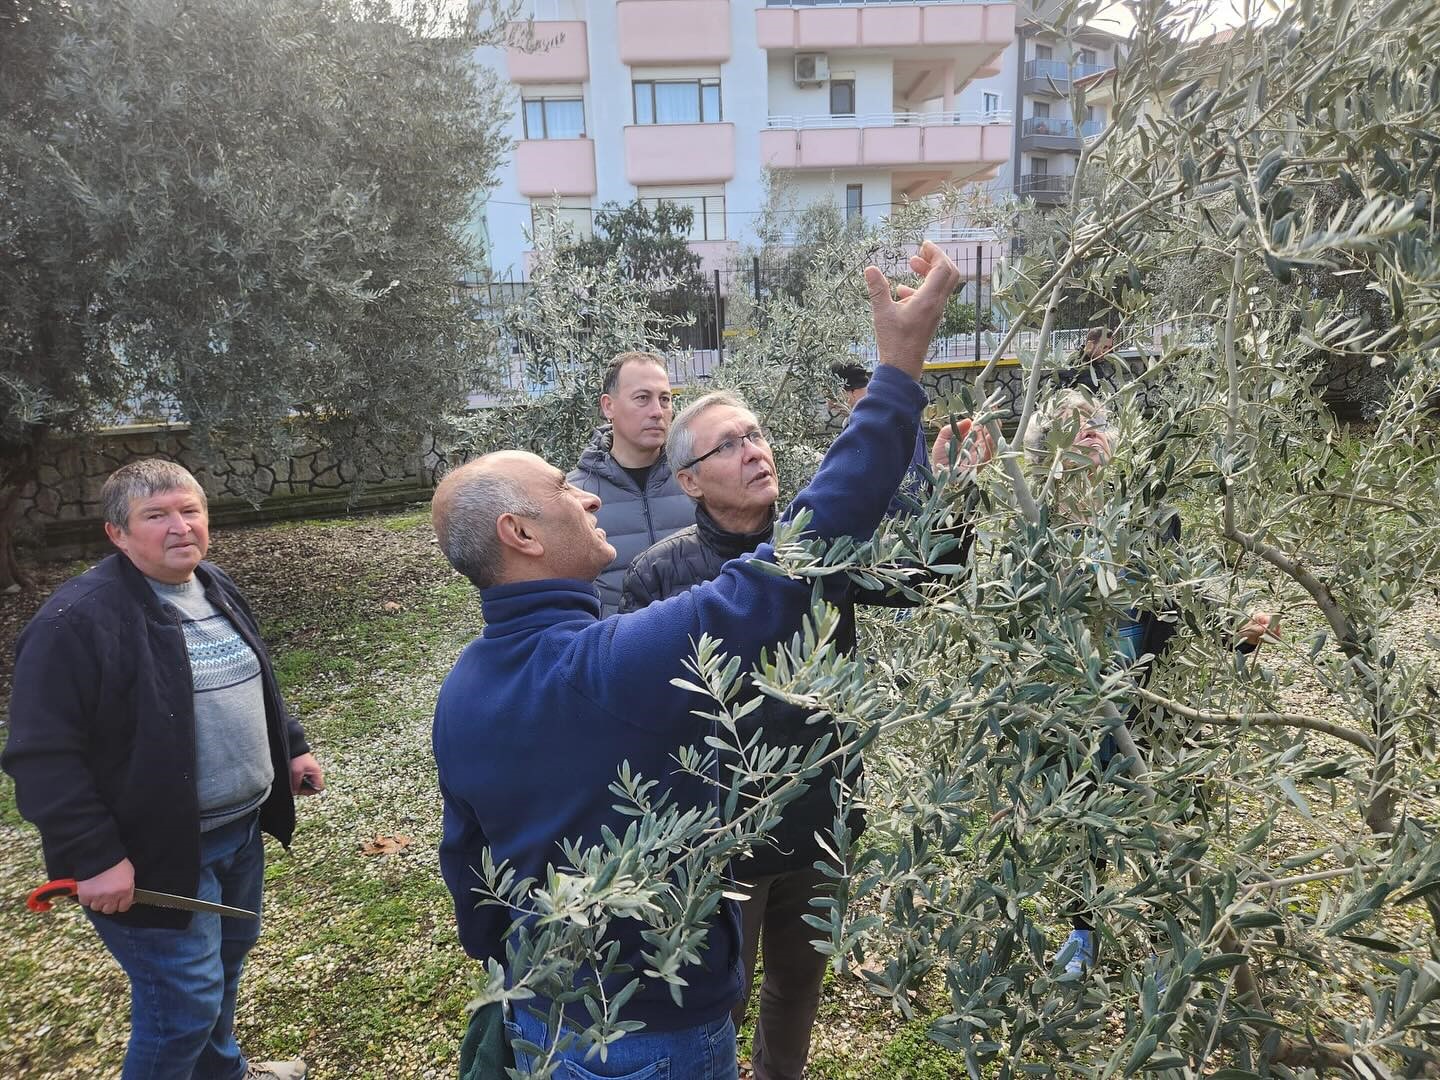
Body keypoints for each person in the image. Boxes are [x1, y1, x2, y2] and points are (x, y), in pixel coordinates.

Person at [430, 241, 962, 1078]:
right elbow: (793, 563)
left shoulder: (461, 689)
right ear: (520, 534)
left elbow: (467, 867)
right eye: (563, 491)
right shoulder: (606, 666)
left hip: (546, 1015)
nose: (591, 492)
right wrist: (895, 376)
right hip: (658, 1032)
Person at [619, 392, 989, 1080]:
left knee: (797, 989)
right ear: (690, 481)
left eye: (755, 434)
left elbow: (928, 582)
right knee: (717, 1004)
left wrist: (956, 498)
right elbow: (641, 717)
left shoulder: (821, 549)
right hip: (722, 845)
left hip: (822, 823)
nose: (754, 450)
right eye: (727, 444)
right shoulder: (661, 577)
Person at [2, 459, 324, 1080]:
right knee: (183, 1005)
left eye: (190, 510)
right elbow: (41, 756)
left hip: (237, 833)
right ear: (117, 534)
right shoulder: (76, 622)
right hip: (155, 852)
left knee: (223, 970)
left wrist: (291, 747)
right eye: (156, 516)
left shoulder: (214, 584)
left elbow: (255, 676)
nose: (180, 527)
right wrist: (91, 855)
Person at [1020, 391, 1276, 978]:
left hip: (1151, 701)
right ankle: (1083, 932)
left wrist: (1236, 629)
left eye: (1095, 423)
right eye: (1068, 427)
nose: (1086, 433)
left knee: (1161, 812)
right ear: (1045, 451)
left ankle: (1172, 932)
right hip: (1076, 706)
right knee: (1082, 815)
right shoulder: (1040, 528)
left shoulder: (1151, 516)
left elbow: (1187, 596)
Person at [567, 351, 695, 615]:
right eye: (642, 398)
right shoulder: (575, 495)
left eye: (665, 399)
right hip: (614, 650)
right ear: (608, 406)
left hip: (699, 650)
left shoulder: (698, 480)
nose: (657, 412)